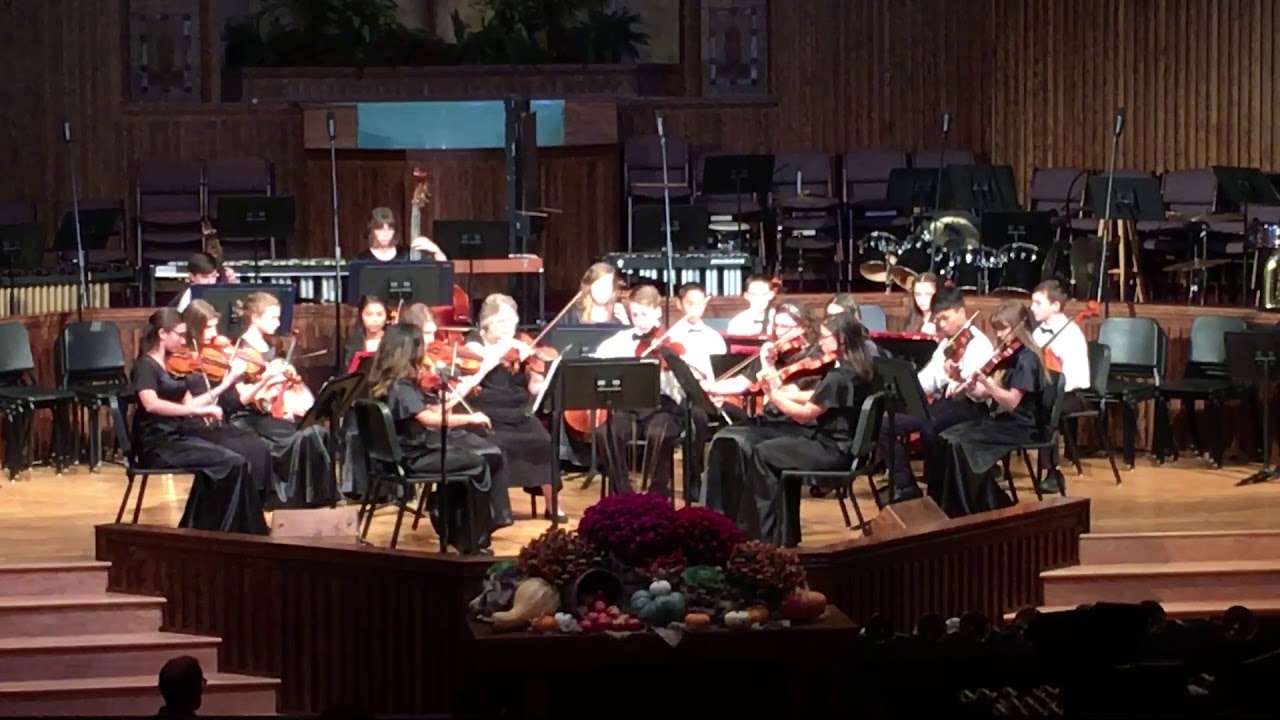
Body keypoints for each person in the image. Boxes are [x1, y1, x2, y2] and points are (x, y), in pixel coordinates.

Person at [731, 312, 877, 546]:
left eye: (825, 336)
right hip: (847, 447)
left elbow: (803, 416)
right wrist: (787, 393)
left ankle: (761, 536)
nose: (820, 342)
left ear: (841, 339)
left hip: (833, 451)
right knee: (778, 453)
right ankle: (784, 535)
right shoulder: (862, 369)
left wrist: (772, 395)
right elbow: (822, 396)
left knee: (763, 452)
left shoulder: (838, 376)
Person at [184, 296, 337, 510]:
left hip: (259, 411)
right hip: (245, 416)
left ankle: (317, 495)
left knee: (314, 431)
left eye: (215, 327)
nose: (215, 335)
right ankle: (287, 497)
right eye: (208, 328)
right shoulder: (223, 353)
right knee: (297, 437)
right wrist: (263, 381)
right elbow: (239, 400)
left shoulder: (248, 349)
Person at [129, 308, 269, 535]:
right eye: (179, 335)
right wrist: (193, 411)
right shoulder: (145, 366)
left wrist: (214, 400)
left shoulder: (172, 365)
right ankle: (228, 531)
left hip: (178, 435)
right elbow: (151, 404)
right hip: (157, 443)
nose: (184, 340)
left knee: (237, 460)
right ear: (163, 334)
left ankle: (214, 528)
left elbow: (191, 404)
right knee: (232, 463)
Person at [368, 324, 502, 554]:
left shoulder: (386, 383)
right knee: (478, 464)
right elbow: (428, 419)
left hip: (395, 457)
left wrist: (453, 400)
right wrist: (470, 418)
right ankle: (473, 541)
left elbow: (424, 412)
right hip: (412, 459)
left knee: (462, 458)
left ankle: (452, 528)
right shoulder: (402, 387)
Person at [701, 302, 833, 509]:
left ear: (802, 327)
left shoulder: (814, 359)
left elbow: (785, 393)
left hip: (796, 425)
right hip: (771, 420)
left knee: (740, 442)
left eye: (784, 326)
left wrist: (768, 365)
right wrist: (711, 388)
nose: (778, 331)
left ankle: (750, 513)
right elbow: (744, 382)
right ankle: (719, 512)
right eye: (776, 325)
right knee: (723, 438)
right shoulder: (776, 352)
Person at [877, 286, 994, 504]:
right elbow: (929, 377)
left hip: (970, 407)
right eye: (937, 319)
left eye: (945, 318)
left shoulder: (979, 344)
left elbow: (978, 392)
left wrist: (956, 378)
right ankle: (905, 486)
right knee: (885, 423)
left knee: (930, 428)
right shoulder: (947, 344)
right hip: (942, 405)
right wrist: (907, 390)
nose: (941, 325)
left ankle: (938, 490)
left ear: (961, 311)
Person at [591, 284, 710, 496]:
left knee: (659, 433)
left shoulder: (676, 341)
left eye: (644, 314)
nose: (639, 320)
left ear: (657, 311)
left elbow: (699, 377)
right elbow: (596, 366)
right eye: (634, 315)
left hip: (664, 408)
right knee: (605, 433)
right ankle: (623, 493)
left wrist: (676, 363)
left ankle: (658, 493)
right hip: (629, 407)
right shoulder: (618, 342)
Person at [940, 301, 1055, 514]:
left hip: (1023, 426)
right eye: (997, 330)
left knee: (960, 443)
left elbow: (1012, 402)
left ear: (1019, 326)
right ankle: (971, 501)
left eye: (1004, 329)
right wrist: (963, 381)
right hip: (1002, 420)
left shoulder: (1027, 359)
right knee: (947, 437)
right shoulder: (1008, 356)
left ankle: (971, 506)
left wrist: (988, 383)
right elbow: (982, 394)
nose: (1000, 335)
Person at [462, 294, 563, 523]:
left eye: (512, 321)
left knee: (544, 441)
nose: (508, 327)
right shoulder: (474, 345)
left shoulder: (520, 346)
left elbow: (532, 386)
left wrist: (540, 380)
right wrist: (501, 351)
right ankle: (497, 510)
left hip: (518, 412)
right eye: (501, 321)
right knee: (497, 446)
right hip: (485, 414)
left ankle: (552, 505)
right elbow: (476, 373)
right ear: (486, 323)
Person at [662, 282, 725, 501]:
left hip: (713, 396)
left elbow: (722, 373)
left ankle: (727, 482)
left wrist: (716, 388)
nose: (695, 309)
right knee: (696, 417)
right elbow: (667, 380)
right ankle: (693, 480)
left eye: (700, 304)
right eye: (690, 303)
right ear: (679, 304)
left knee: (741, 418)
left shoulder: (714, 337)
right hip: (681, 398)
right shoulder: (669, 338)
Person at [1029, 279, 1088, 493]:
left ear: (1055, 306)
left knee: (1047, 411)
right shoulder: (1039, 332)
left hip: (1071, 394)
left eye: (1038, 303)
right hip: (1046, 392)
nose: (1032, 308)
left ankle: (1053, 473)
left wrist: (1049, 390)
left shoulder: (1070, 334)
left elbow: (1073, 376)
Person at [355, 207, 448, 263]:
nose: (386, 234)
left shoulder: (407, 255)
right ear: (371, 231)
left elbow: (443, 273)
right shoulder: (362, 260)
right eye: (380, 229)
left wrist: (436, 251)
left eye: (390, 229)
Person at [563, 262, 630, 325]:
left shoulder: (618, 314)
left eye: (608, 286)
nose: (603, 290)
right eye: (599, 285)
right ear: (589, 286)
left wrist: (625, 322)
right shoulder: (573, 313)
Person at [342, 294, 389, 371]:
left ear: (386, 316)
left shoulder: (392, 340)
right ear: (360, 315)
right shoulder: (353, 342)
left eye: (379, 314)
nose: (374, 319)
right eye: (369, 314)